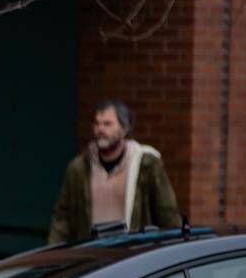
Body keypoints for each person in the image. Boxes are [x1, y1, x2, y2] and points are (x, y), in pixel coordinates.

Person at [48, 100, 181, 244]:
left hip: (133, 255)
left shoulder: (146, 165)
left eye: (107, 124)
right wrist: (53, 255)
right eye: (97, 123)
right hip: (92, 255)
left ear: (124, 129)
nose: (100, 129)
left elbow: (168, 216)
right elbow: (63, 218)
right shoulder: (79, 168)